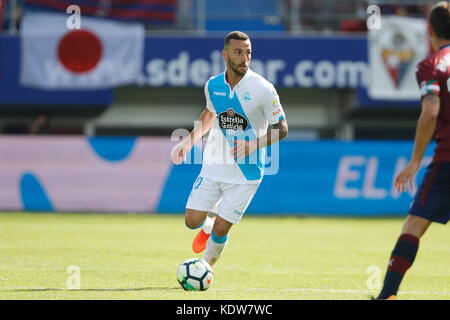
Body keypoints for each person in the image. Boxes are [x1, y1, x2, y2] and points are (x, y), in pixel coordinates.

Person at [170, 31, 288, 267]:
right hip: (214, 164)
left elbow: (282, 128)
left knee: (223, 228)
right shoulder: (213, 85)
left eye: (248, 53)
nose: (244, 58)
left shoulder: (263, 89)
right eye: (238, 52)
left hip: (247, 172)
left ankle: (204, 269)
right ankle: (207, 224)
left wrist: (253, 144)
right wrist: (189, 141)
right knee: (191, 221)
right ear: (225, 55)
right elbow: (210, 113)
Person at [376, 2, 450, 300]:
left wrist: (416, 159)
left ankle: (388, 295)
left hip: (447, 160)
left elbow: (431, 111)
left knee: (415, 223)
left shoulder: (431, 65)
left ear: (429, 30)